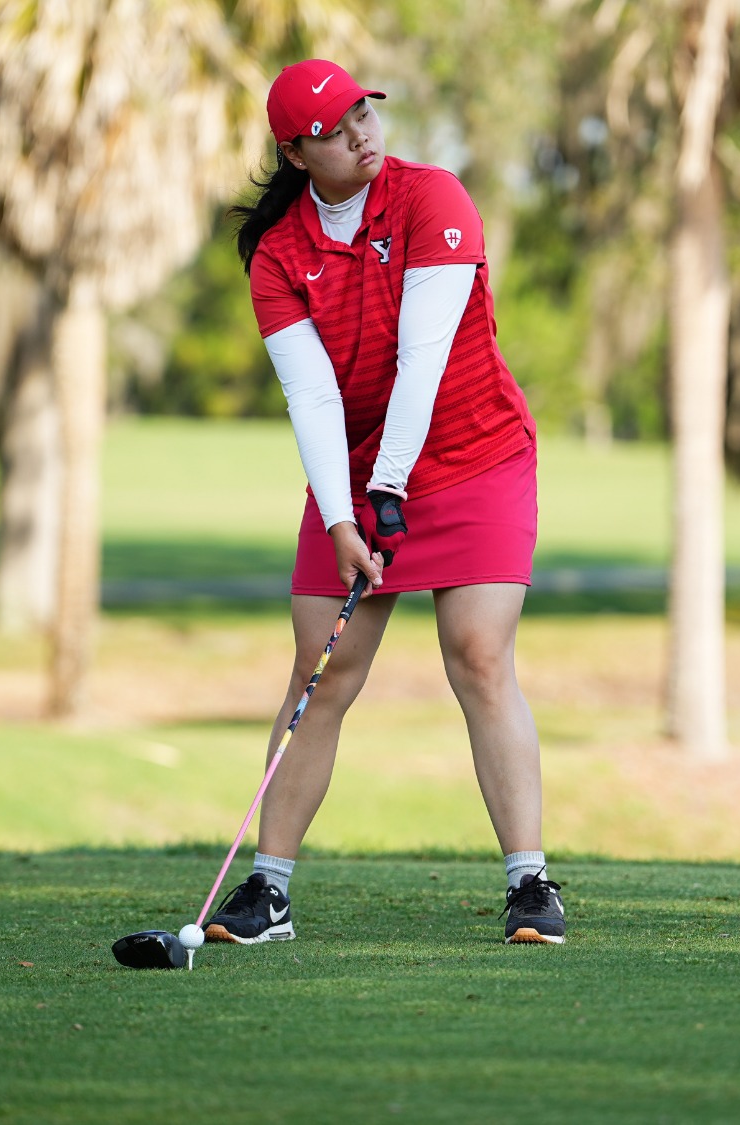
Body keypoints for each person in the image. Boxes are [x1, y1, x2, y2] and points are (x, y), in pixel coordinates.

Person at [204, 60, 565, 946]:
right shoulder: (279, 254)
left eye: (363, 114)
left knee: (478, 654)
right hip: (358, 469)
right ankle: (268, 890)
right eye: (335, 131)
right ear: (296, 154)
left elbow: (422, 358)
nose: (362, 135)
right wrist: (341, 517)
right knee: (319, 672)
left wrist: (388, 489)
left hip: (476, 455)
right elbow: (312, 397)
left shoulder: (432, 199)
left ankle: (529, 884)